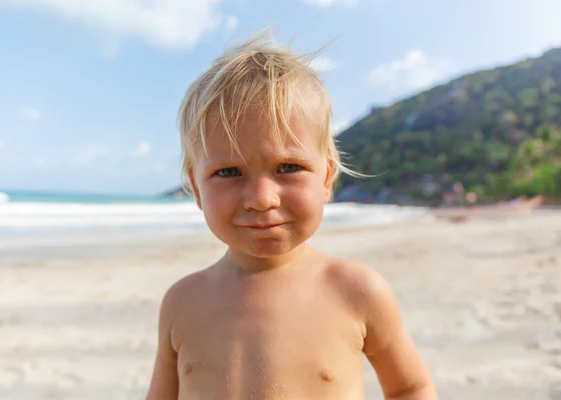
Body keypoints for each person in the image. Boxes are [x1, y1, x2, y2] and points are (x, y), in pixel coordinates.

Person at [145, 31, 437, 400]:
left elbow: (410, 387)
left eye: (288, 167)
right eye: (229, 172)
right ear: (196, 186)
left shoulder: (356, 290)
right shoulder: (181, 302)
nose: (261, 199)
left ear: (327, 177)